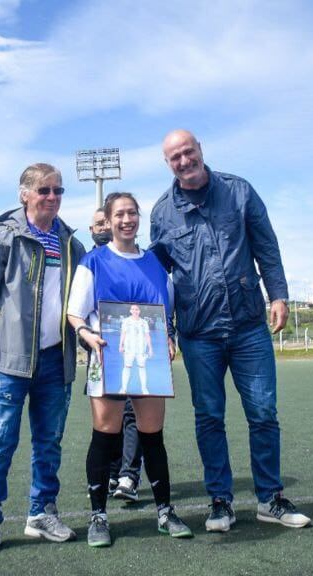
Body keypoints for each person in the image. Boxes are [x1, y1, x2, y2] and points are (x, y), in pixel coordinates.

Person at [150, 129, 311, 532]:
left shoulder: (239, 192)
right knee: (208, 417)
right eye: (175, 157)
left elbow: (266, 246)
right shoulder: (161, 213)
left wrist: (278, 295)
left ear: (200, 150)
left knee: (262, 413)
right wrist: (162, 328)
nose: (184, 161)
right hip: (198, 332)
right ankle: (220, 502)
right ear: (168, 163)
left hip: (247, 326)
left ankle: (270, 499)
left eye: (188, 152)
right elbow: (158, 278)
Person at [0, 162, 85, 558]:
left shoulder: (71, 243)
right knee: (0, 442)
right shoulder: (3, 237)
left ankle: (41, 513)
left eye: (58, 191)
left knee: (49, 443)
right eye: (44, 190)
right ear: (25, 194)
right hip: (10, 361)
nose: (52, 197)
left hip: (56, 360)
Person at [68, 192, 193, 547]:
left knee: (152, 435)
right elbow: (75, 312)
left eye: (132, 213)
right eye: (120, 214)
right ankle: (98, 516)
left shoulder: (154, 264)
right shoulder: (93, 262)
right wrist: (86, 334)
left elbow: (164, 311)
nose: (127, 220)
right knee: (105, 434)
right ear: (108, 221)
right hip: (106, 356)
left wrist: (168, 336)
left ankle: (166, 512)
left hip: (149, 358)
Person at [90, 208, 144, 502]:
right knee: (106, 419)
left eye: (105, 222)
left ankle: (129, 474)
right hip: (101, 353)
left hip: (133, 350)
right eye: (98, 223)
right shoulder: (89, 262)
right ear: (92, 228)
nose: (103, 228)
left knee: (132, 414)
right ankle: (111, 473)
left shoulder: (138, 259)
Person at [118, 304, 153, 395]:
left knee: (142, 368)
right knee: (127, 367)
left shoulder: (144, 322)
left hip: (141, 349)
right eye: (133, 309)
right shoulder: (126, 321)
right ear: (130, 311)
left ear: (139, 311)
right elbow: (123, 333)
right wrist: (120, 345)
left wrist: (150, 348)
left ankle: (144, 389)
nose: (135, 311)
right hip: (129, 349)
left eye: (136, 309)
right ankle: (123, 389)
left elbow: (147, 335)